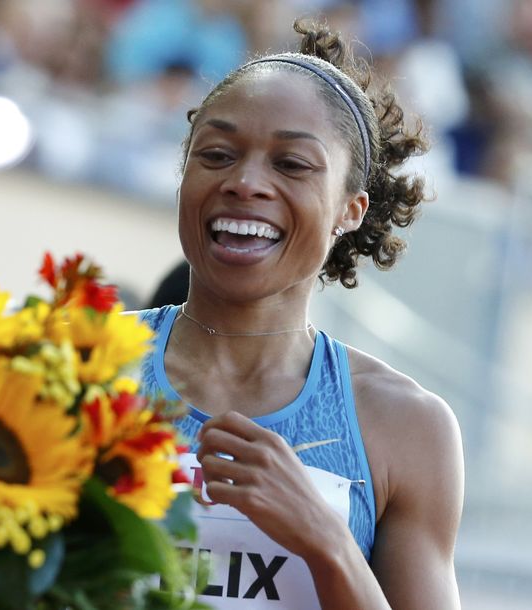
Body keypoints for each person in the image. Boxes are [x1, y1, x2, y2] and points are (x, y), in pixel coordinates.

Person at [138, 19, 464, 610]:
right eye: (216, 154)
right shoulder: (70, 360)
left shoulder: (405, 427)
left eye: (292, 164)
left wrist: (324, 540)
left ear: (351, 209)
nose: (243, 183)